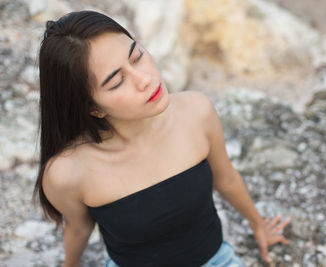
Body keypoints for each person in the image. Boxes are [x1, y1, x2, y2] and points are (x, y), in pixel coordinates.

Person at [33, 10, 290, 267]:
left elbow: (227, 178)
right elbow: (78, 228)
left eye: (137, 56)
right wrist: (71, 264)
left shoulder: (196, 112)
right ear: (93, 108)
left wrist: (258, 225)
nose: (145, 79)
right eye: (117, 81)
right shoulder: (67, 173)